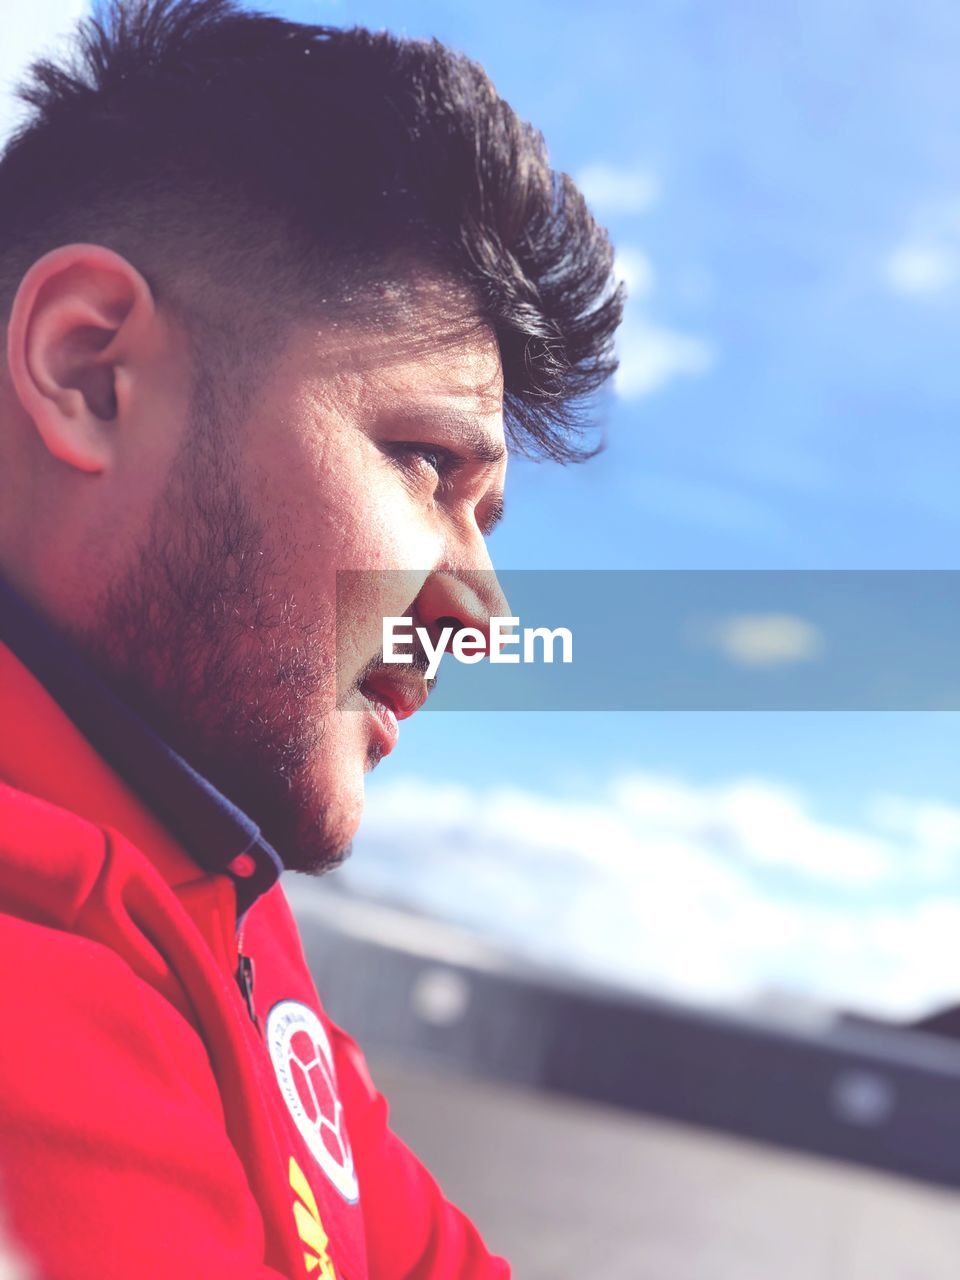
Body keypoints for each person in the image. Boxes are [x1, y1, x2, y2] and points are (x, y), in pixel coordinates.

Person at [0, 1, 623, 1275]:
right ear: (90, 371)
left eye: (486, 515)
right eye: (425, 461)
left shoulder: (220, 905)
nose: (487, 612)